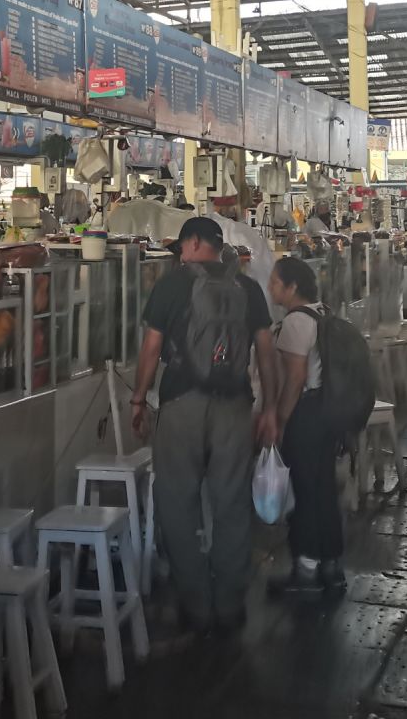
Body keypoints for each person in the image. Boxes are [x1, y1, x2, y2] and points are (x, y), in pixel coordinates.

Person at [130, 217, 280, 634]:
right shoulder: (247, 288)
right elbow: (266, 352)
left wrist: (138, 398)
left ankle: (195, 602)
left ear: (194, 243)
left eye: (182, 247)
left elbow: (151, 348)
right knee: (231, 502)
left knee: (177, 501)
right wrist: (269, 408)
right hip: (235, 406)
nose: (181, 255)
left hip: (182, 404)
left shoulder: (172, 285)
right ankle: (229, 603)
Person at [266, 257, 346, 596]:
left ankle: (306, 571)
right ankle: (331, 566)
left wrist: (280, 419)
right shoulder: (323, 311)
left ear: (292, 286)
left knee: (305, 490)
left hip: (307, 412)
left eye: (275, 282)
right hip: (329, 410)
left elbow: (295, 378)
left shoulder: (295, 322)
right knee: (324, 488)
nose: (270, 288)